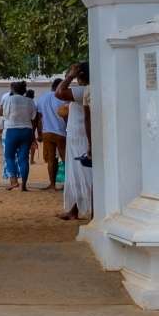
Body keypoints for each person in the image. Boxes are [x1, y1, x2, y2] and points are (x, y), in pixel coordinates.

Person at [60, 63, 94, 221]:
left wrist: (70, 76)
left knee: (84, 175)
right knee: (77, 176)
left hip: (82, 138)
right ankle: (75, 208)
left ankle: (87, 209)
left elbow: (59, 92)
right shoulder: (84, 90)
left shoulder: (84, 90)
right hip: (77, 137)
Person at [0, 80, 37, 191]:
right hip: (27, 130)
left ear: (13, 90)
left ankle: (14, 181)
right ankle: (24, 185)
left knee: (9, 156)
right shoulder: (30, 101)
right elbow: (33, 117)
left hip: (12, 129)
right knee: (24, 158)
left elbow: (3, 114)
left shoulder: (8, 99)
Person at [35, 78, 69, 188]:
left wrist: (39, 133)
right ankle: (68, 184)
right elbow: (67, 116)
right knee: (65, 159)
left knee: (51, 159)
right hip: (61, 132)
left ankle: (52, 184)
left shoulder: (42, 98)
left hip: (47, 132)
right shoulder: (63, 98)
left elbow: (39, 118)